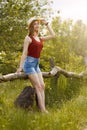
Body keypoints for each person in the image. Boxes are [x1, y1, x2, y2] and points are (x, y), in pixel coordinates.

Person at [16, 17, 55, 113]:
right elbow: (24, 53)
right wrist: (20, 67)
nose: (37, 25)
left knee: (42, 85)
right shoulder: (28, 38)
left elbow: (53, 35)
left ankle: (42, 108)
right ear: (31, 26)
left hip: (36, 64)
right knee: (37, 86)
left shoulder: (40, 38)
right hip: (29, 64)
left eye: (38, 24)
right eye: (35, 24)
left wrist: (46, 24)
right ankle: (43, 110)